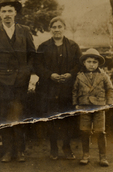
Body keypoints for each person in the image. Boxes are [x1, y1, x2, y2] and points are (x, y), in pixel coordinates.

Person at [0, 0, 36, 162]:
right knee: (4, 116)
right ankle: (7, 151)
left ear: (15, 13)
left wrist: (27, 74)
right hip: (1, 82)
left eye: (10, 11)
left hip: (20, 82)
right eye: (3, 11)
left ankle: (20, 150)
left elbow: (32, 56)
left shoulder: (25, 31)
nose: (7, 14)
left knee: (19, 115)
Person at [34, 17, 82, 160]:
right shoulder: (43, 47)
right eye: (54, 27)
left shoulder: (73, 46)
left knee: (67, 118)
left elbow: (79, 64)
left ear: (64, 27)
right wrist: (50, 75)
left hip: (67, 89)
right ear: (50, 29)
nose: (57, 29)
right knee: (51, 118)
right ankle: (53, 148)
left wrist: (70, 74)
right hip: (49, 89)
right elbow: (37, 65)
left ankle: (66, 147)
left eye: (59, 26)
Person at [73, 48, 113, 166]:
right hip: (84, 107)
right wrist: (76, 103)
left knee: (100, 132)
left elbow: (110, 89)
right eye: (89, 62)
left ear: (98, 64)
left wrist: (109, 103)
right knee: (84, 131)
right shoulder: (80, 76)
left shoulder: (103, 76)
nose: (91, 65)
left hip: (99, 107)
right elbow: (75, 91)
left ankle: (103, 157)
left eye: (94, 62)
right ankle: (85, 155)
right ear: (84, 63)